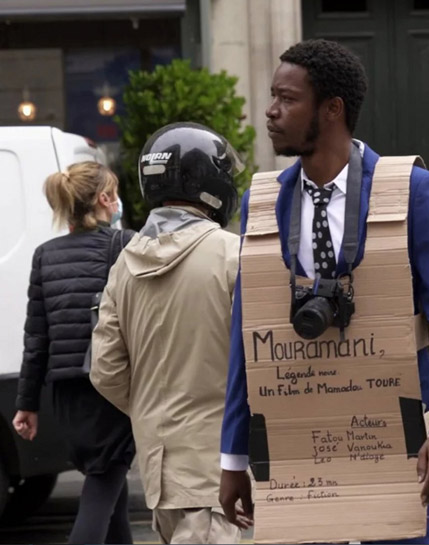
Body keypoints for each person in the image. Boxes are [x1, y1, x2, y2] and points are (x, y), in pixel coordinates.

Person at [219, 39, 429, 544]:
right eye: (272, 96)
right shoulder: (262, 202)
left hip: (400, 435)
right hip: (298, 437)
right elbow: (246, 337)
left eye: (287, 99)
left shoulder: (411, 191)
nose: (270, 112)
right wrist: (233, 455)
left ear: (332, 109)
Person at [90, 122, 242, 544]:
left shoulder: (124, 265)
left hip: (159, 472)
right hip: (217, 470)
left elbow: (105, 371)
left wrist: (152, 408)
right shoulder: (233, 254)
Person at [13, 161, 135, 545]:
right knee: (103, 484)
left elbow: (36, 338)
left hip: (65, 397)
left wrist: (26, 404)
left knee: (109, 483)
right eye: (114, 194)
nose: (117, 203)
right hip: (110, 391)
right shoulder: (123, 244)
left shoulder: (44, 255)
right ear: (103, 199)